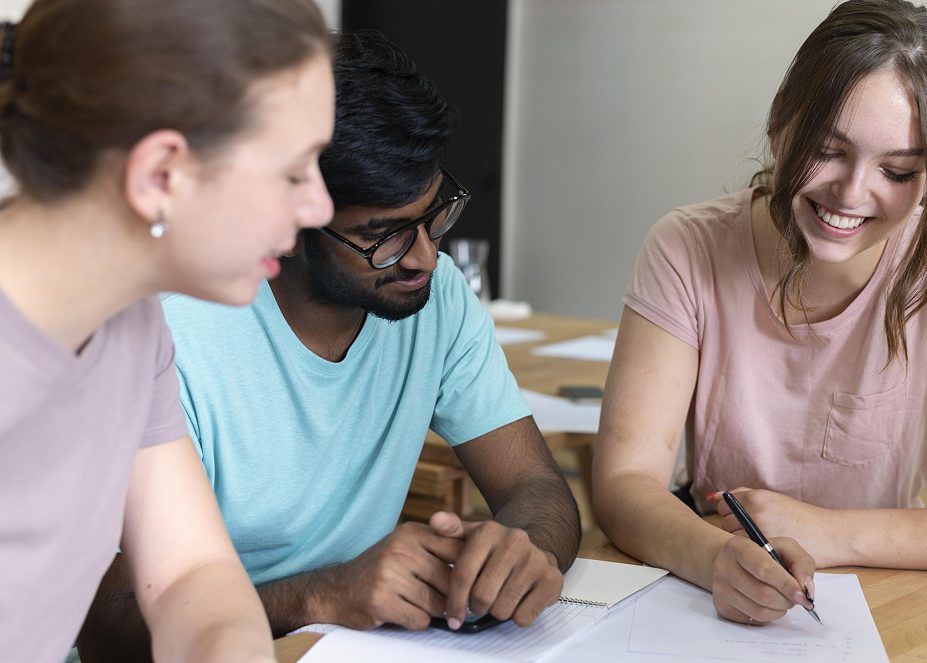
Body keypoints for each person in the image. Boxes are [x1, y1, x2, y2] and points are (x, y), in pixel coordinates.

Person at [78, 30, 581, 660]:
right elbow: (107, 629)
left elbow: (536, 484)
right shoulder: (169, 333)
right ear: (289, 217)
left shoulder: (437, 295)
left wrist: (516, 549)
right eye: (383, 234)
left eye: (434, 216)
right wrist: (320, 596)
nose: (425, 255)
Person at [593, 0, 927, 628]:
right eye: (829, 151)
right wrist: (716, 557)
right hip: (717, 594)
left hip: (894, 598)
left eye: (897, 170)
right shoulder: (687, 247)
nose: (852, 192)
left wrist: (833, 533)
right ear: (781, 126)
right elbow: (624, 481)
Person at [0, 1, 335, 661]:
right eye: (294, 171)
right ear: (161, 175)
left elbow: (192, 574)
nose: (320, 205)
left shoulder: (130, 321)